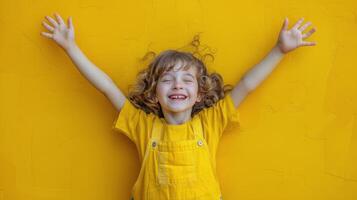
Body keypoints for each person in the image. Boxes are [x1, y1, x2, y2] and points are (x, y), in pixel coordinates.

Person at [41, 13, 316, 200]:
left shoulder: (210, 122)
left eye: (187, 80)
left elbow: (247, 84)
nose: (177, 85)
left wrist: (279, 50)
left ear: (198, 94)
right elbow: (106, 87)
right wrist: (71, 47)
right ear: (153, 93)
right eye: (167, 80)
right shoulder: (142, 125)